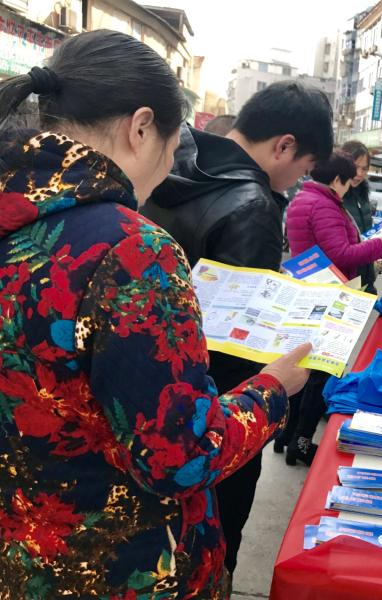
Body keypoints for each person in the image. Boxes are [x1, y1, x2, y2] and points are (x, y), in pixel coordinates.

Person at [0, 30, 310, 598]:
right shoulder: (131, 250)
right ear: (141, 127)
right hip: (124, 570)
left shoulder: (17, 218)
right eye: (172, 151)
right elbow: (179, 457)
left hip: (20, 561)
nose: (168, 170)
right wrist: (272, 390)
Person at [142, 80, 333, 577]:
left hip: (152, 389)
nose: (295, 182)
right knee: (214, 540)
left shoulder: (175, 160)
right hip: (218, 414)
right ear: (284, 146)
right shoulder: (254, 204)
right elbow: (241, 337)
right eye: (304, 169)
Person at [282, 151, 382, 465]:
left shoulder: (304, 198)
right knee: (322, 371)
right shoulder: (324, 204)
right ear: (337, 179)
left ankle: (287, 434)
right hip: (331, 295)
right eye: (347, 180)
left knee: (306, 367)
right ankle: (301, 442)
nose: (348, 187)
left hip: (312, 291)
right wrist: (379, 245)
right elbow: (341, 253)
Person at [341, 140, 379, 294]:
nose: (360, 174)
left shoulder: (362, 194)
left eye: (364, 169)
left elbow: (366, 234)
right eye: (356, 167)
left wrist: (381, 249)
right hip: (345, 279)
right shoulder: (336, 196)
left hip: (366, 275)